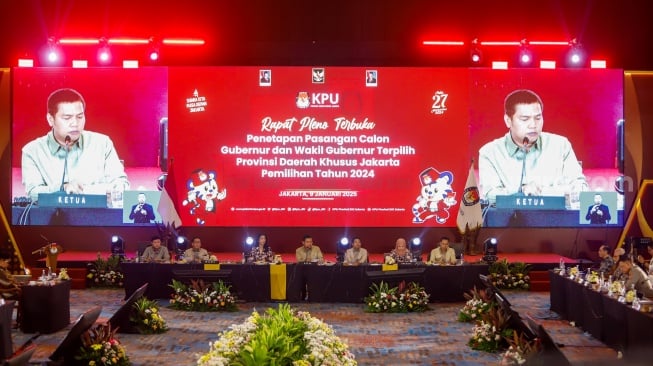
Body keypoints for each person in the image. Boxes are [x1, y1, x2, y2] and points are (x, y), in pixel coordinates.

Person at [478, 89, 587, 205]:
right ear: (508, 121)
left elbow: (581, 189)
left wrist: (543, 192)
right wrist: (521, 191)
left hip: (555, 220)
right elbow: (490, 196)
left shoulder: (561, 145)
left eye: (538, 118)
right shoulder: (489, 152)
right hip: (511, 221)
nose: (533, 125)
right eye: (525, 119)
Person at [21, 88, 129, 200]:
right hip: (53, 216)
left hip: (97, 216)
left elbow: (122, 186)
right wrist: (62, 187)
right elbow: (33, 193)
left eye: (80, 117)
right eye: (67, 118)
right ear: (50, 119)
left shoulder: (103, 143)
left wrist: (84, 190)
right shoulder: (32, 151)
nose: (75, 123)